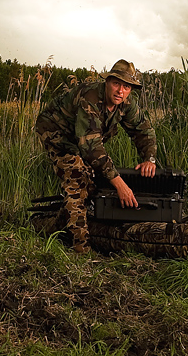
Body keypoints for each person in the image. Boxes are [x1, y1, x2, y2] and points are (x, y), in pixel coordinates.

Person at [34, 59, 157, 253]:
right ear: (107, 82)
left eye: (126, 87)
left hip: (82, 141)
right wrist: (120, 184)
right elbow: (91, 146)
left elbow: (144, 131)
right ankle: (80, 249)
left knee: (91, 185)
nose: (120, 91)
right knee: (77, 179)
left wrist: (149, 159)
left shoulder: (127, 103)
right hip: (58, 134)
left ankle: (52, 229)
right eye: (116, 84)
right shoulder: (90, 97)